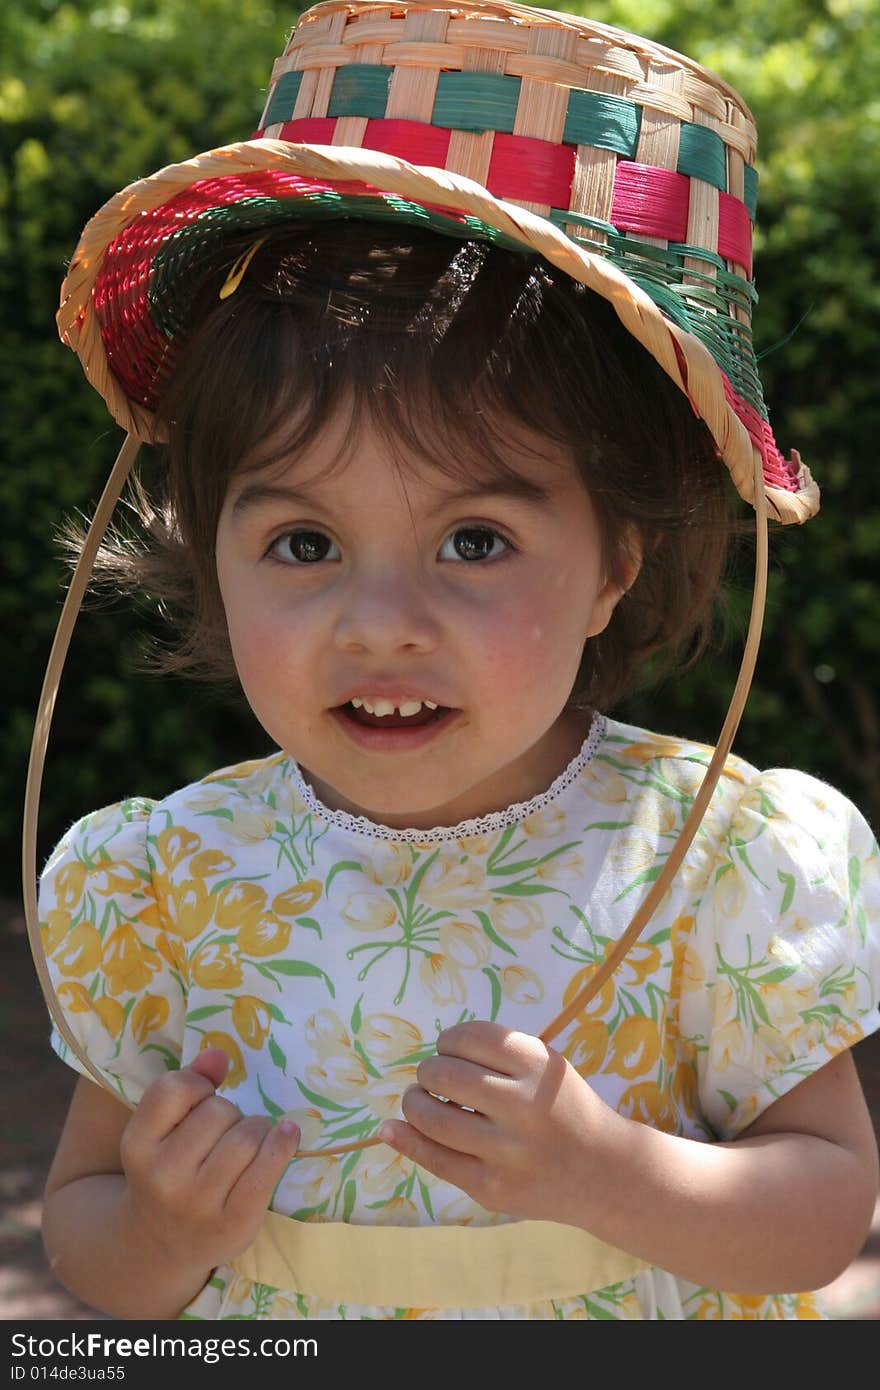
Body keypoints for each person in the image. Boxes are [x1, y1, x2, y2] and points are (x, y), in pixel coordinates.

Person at [30, 0, 879, 1321]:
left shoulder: (709, 859)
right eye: (304, 541)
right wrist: (155, 1222)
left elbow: (826, 1208)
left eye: (475, 539)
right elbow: (84, 1233)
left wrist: (616, 1173)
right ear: (214, 552)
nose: (380, 620)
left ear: (617, 561)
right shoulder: (165, 888)